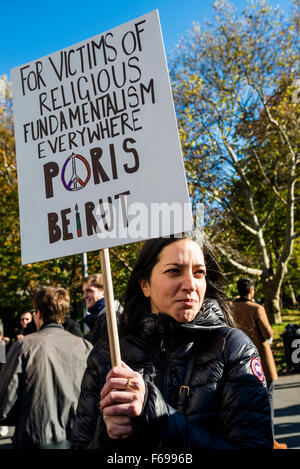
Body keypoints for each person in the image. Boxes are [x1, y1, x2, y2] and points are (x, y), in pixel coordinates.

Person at [71, 231, 273, 451]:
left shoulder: (233, 348)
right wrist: (108, 434)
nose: (190, 284)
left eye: (199, 273)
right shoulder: (107, 354)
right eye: (174, 271)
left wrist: (154, 412)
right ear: (145, 285)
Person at [0, 286, 93, 449]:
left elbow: (5, 401)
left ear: (38, 314)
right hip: (80, 437)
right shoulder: (85, 346)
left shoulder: (24, 346)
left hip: (35, 437)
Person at [231, 277, 287, 450]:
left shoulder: (230, 307)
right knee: (267, 401)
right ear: (251, 291)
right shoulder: (257, 308)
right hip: (261, 361)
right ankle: (270, 441)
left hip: (238, 361)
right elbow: (267, 333)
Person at [82, 273, 122, 345]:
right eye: (84, 292)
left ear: (104, 292)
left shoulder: (111, 317)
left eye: (89, 291)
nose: (84, 296)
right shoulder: (99, 317)